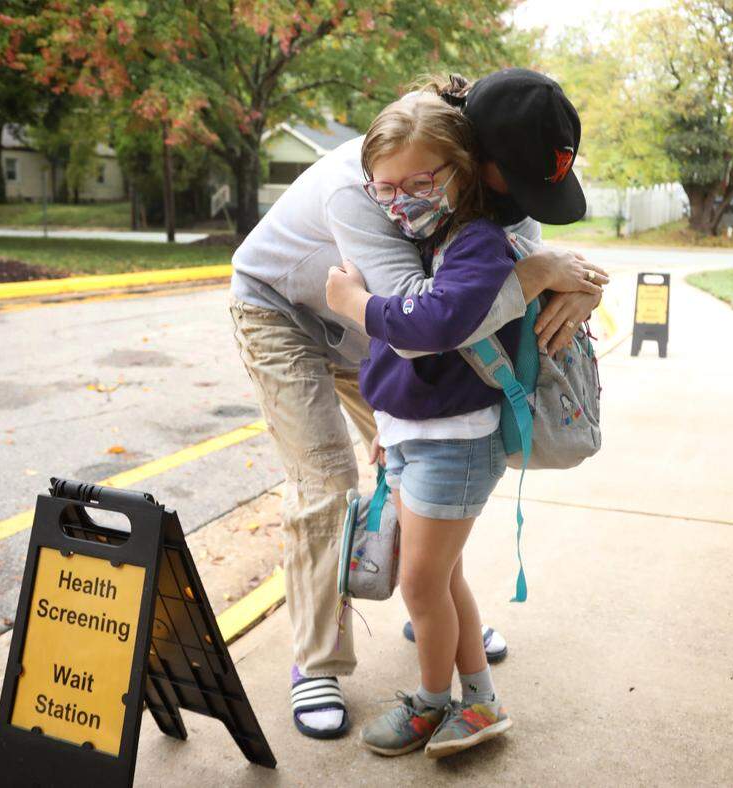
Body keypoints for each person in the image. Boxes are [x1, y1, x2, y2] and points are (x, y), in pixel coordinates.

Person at [228, 68, 604, 740]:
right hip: (289, 310)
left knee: (425, 506)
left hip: (376, 337)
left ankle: (434, 612)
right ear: (475, 162)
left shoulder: (467, 179)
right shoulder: (375, 185)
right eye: (514, 185)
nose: (521, 203)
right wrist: (540, 275)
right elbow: (421, 328)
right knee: (329, 481)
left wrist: (576, 283)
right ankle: (319, 662)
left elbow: (514, 257)